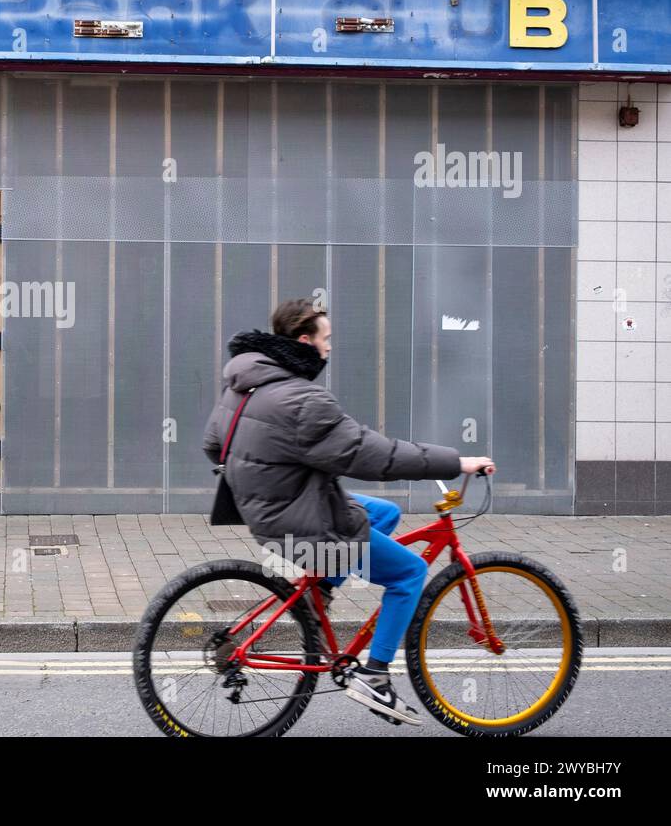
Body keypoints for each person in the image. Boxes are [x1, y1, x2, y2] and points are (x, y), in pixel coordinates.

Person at [203, 297, 494, 726]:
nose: (331, 347)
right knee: (410, 573)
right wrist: (457, 462)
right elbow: (375, 457)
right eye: (328, 338)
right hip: (303, 526)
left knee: (384, 514)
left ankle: (319, 591)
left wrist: (276, 472)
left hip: (272, 512)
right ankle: (375, 677)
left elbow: (215, 445)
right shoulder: (301, 398)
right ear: (305, 340)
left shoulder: (247, 384)